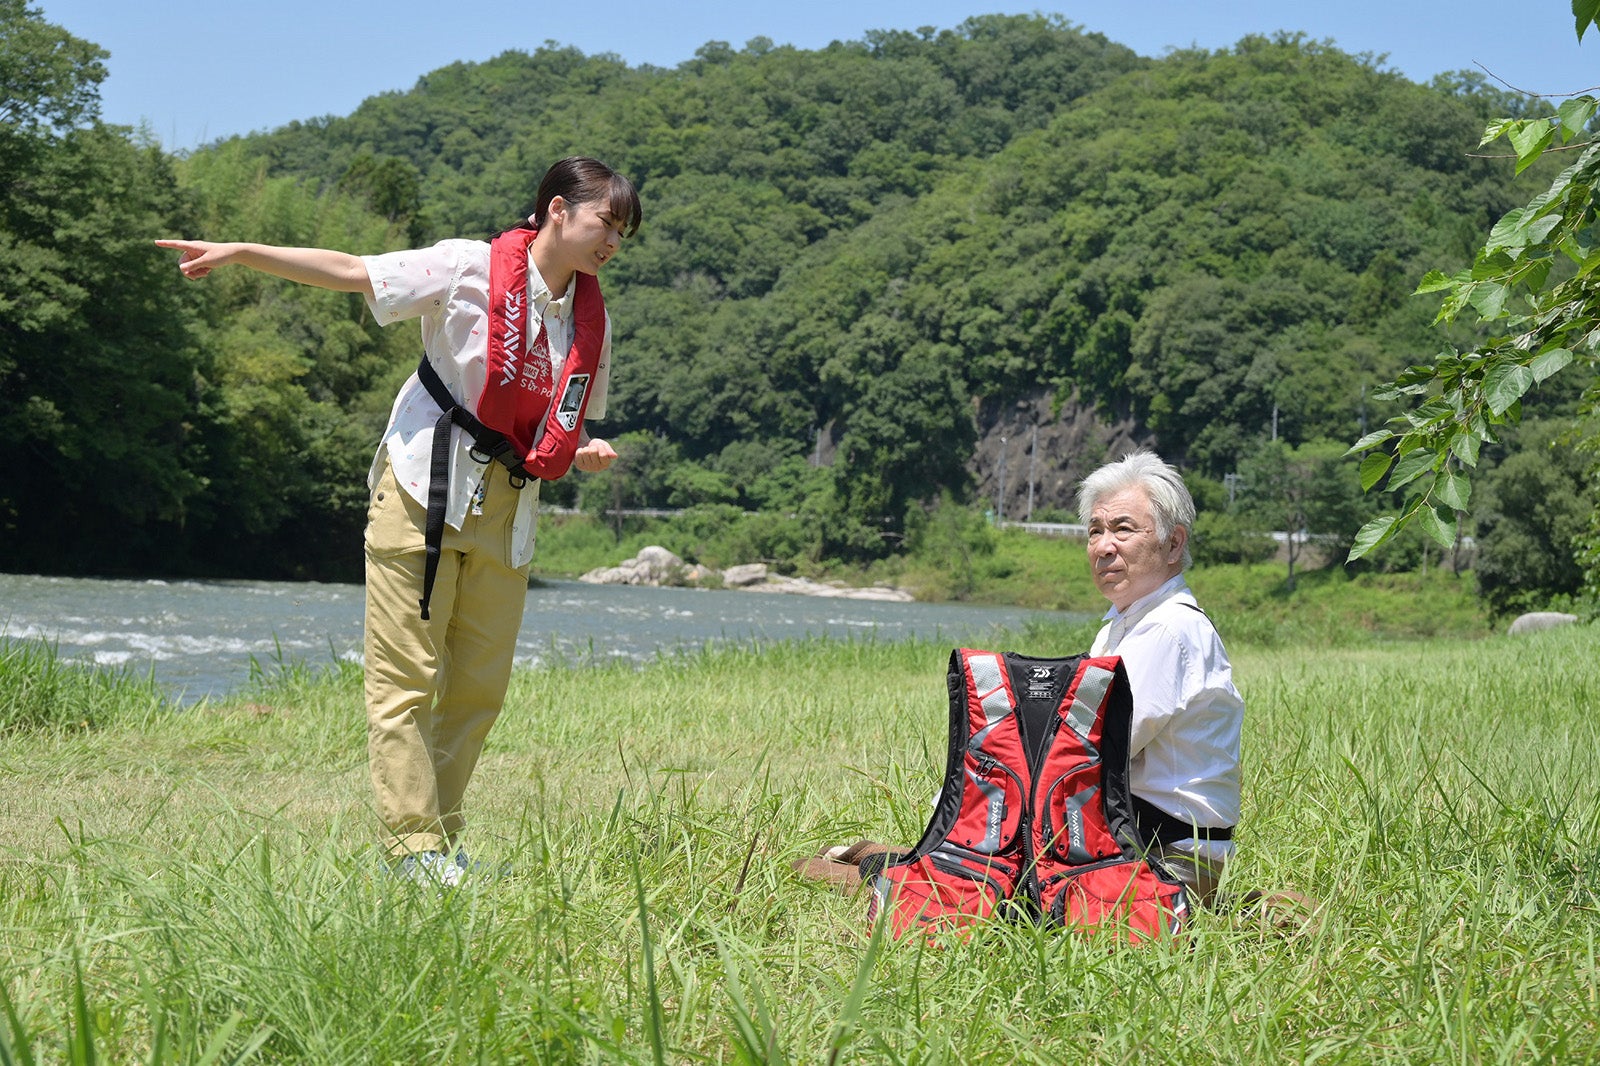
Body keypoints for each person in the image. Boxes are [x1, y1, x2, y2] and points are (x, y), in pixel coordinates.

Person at [157, 156, 642, 883]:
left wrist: (585, 448)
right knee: (405, 678)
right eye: (607, 223)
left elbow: (549, 422)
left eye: (623, 232)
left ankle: (442, 843)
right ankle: (411, 850)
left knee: (478, 687)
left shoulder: (586, 316)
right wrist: (243, 253)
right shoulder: (466, 268)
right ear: (556, 211)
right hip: (424, 485)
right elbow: (355, 270)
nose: (613, 243)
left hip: (507, 509)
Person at [1077, 451, 1242, 904]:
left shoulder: (1168, 628)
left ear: (1173, 544)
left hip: (1170, 858)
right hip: (1137, 838)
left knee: (1006, 898)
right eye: (1095, 531)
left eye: (1123, 528)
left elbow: (1088, 751)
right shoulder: (1122, 624)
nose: (1104, 546)